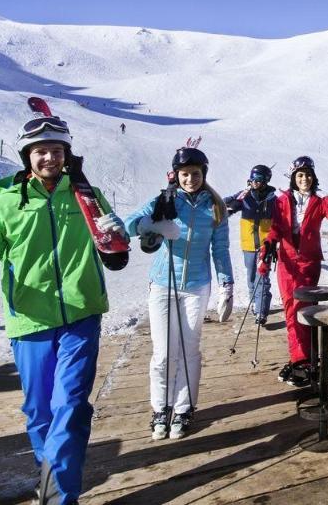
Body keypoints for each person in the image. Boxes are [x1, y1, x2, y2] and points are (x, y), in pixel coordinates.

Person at [0, 115, 129, 505]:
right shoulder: (5, 205)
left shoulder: (86, 195)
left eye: (56, 150)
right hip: (29, 320)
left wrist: (117, 237)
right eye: (41, 151)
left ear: (66, 154)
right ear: (27, 157)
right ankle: (50, 471)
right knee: (39, 412)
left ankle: (58, 497)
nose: (49, 158)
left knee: (69, 405)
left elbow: (110, 245)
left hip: (81, 315)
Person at [124, 147, 233, 440]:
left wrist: (227, 285)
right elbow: (129, 223)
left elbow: (220, 250)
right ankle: (161, 408)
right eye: (185, 174)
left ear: (203, 174)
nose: (190, 179)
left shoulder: (216, 206)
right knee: (162, 353)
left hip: (197, 286)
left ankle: (184, 408)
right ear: (177, 175)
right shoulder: (166, 200)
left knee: (188, 350)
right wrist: (155, 224)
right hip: (163, 284)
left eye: (195, 174)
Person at [258, 156, 328, 386]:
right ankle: (300, 359)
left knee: (306, 310)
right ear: (293, 178)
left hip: (308, 263)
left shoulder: (319, 202)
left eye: (308, 175)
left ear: (313, 177)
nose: (304, 179)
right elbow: (275, 230)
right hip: (287, 264)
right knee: (290, 310)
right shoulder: (282, 201)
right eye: (300, 175)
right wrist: (267, 249)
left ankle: (307, 360)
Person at [224, 164, 277, 324]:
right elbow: (224, 206)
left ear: (266, 180)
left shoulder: (272, 199)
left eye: (259, 179)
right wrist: (236, 200)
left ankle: (261, 312)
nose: (254, 182)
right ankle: (256, 302)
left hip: (265, 245)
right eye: (252, 178)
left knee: (262, 277)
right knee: (251, 278)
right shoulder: (245, 196)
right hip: (248, 245)